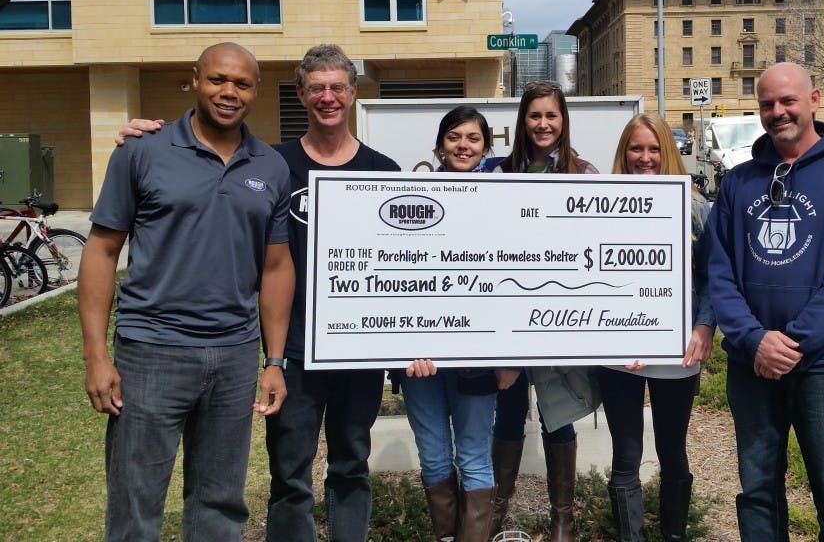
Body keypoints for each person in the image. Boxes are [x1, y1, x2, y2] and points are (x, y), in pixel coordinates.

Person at [116, 44, 400, 542]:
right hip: (291, 348)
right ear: (300, 95)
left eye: (338, 87)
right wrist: (140, 135)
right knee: (289, 472)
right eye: (317, 88)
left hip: (355, 349)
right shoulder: (272, 163)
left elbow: (404, 265)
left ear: (354, 93)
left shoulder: (383, 171)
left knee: (352, 462)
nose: (328, 97)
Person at [80, 42, 295, 542]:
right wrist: (95, 354)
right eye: (218, 79)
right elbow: (102, 250)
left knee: (220, 503)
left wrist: (273, 361)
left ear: (256, 91)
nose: (229, 92)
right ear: (195, 78)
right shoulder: (142, 150)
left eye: (242, 84)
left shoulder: (269, 166)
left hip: (234, 354)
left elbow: (276, 266)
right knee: (135, 503)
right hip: (151, 351)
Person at [707, 62, 824, 540]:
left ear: (814, 99)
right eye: (767, 103)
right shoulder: (738, 183)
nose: (777, 112)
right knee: (758, 494)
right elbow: (720, 273)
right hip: (752, 367)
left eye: (787, 100)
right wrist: (754, 340)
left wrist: (793, 343)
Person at [490, 81, 600, 542]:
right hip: (511, 320)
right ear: (522, 120)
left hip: (560, 320)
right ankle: (494, 516)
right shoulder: (498, 173)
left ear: (563, 120)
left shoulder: (584, 173)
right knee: (508, 413)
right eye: (534, 115)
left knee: (558, 416)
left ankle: (562, 522)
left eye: (551, 115)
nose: (543, 124)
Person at [598, 113, 716, 541]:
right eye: (636, 148)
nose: (645, 157)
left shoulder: (696, 208)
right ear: (623, 152)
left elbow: (713, 277)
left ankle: (673, 535)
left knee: (672, 452)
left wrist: (704, 326)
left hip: (676, 352)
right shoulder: (600, 204)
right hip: (619, 354)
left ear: (668, 151)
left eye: (654, 148)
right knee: (626, 456)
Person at [400, 106, 511, 542]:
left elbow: (518, 278)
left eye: (473, 138)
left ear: (486, 147)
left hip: (479, 359)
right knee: (433, 457)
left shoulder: (505, 200)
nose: (463, 146)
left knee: (474, 458)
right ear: (439, 146)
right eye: (454, 137)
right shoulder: (413, 196)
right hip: (421, 358)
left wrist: (512, 358)